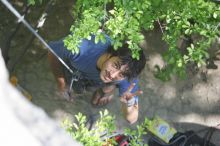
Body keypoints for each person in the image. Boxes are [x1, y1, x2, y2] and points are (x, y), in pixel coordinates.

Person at [48, 35, 146, 124]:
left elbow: (131, 119)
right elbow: (52, 52)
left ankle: (106, 90)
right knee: (85, 84)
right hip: (77, 69)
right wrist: (61, 82)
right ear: (110, 54)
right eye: (116, 65)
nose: (113, 74)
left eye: (121, 74)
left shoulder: (128, 76)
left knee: (110, 82)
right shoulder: (82, 47)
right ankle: (108, 89)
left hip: (97, 80)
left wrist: (128, 104)